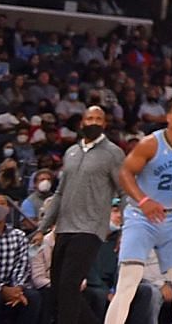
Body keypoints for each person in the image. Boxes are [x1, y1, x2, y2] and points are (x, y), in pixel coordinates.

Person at [104, 94, 172, 324]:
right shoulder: (151, 143)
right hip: (140, 216)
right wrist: (143, 201)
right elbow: (124, 173)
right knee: (128, 283)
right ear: (168, 117)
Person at [35, 105, 125, 324]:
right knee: (59, 288)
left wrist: (125, 228)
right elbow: (59, 192)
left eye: (98, 119)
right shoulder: (71, 152)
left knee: (68, 284)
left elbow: (124, 192)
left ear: (104, 124)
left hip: (90, 228)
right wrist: (43, 227)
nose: (93, 122)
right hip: (64, 227)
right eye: (89, 118)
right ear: (82, 122)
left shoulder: (113, 153)